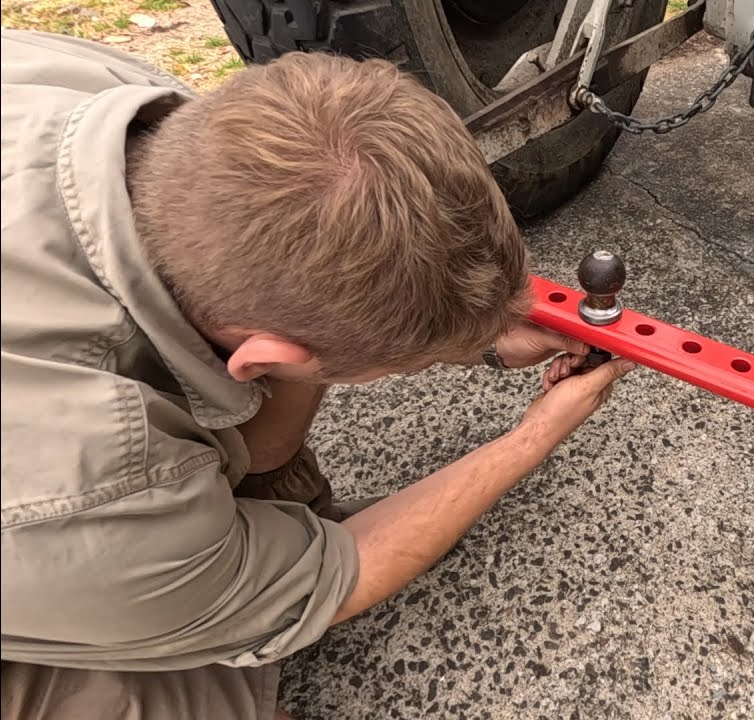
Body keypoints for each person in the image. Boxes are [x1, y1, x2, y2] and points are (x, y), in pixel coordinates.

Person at [0, 29, 633, 719]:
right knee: (169, 693)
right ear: (265, 362)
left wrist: (470, 331)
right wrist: (531, 437)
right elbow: (322, 581)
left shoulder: (100, 88)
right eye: (408, 368)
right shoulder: (86, 493)